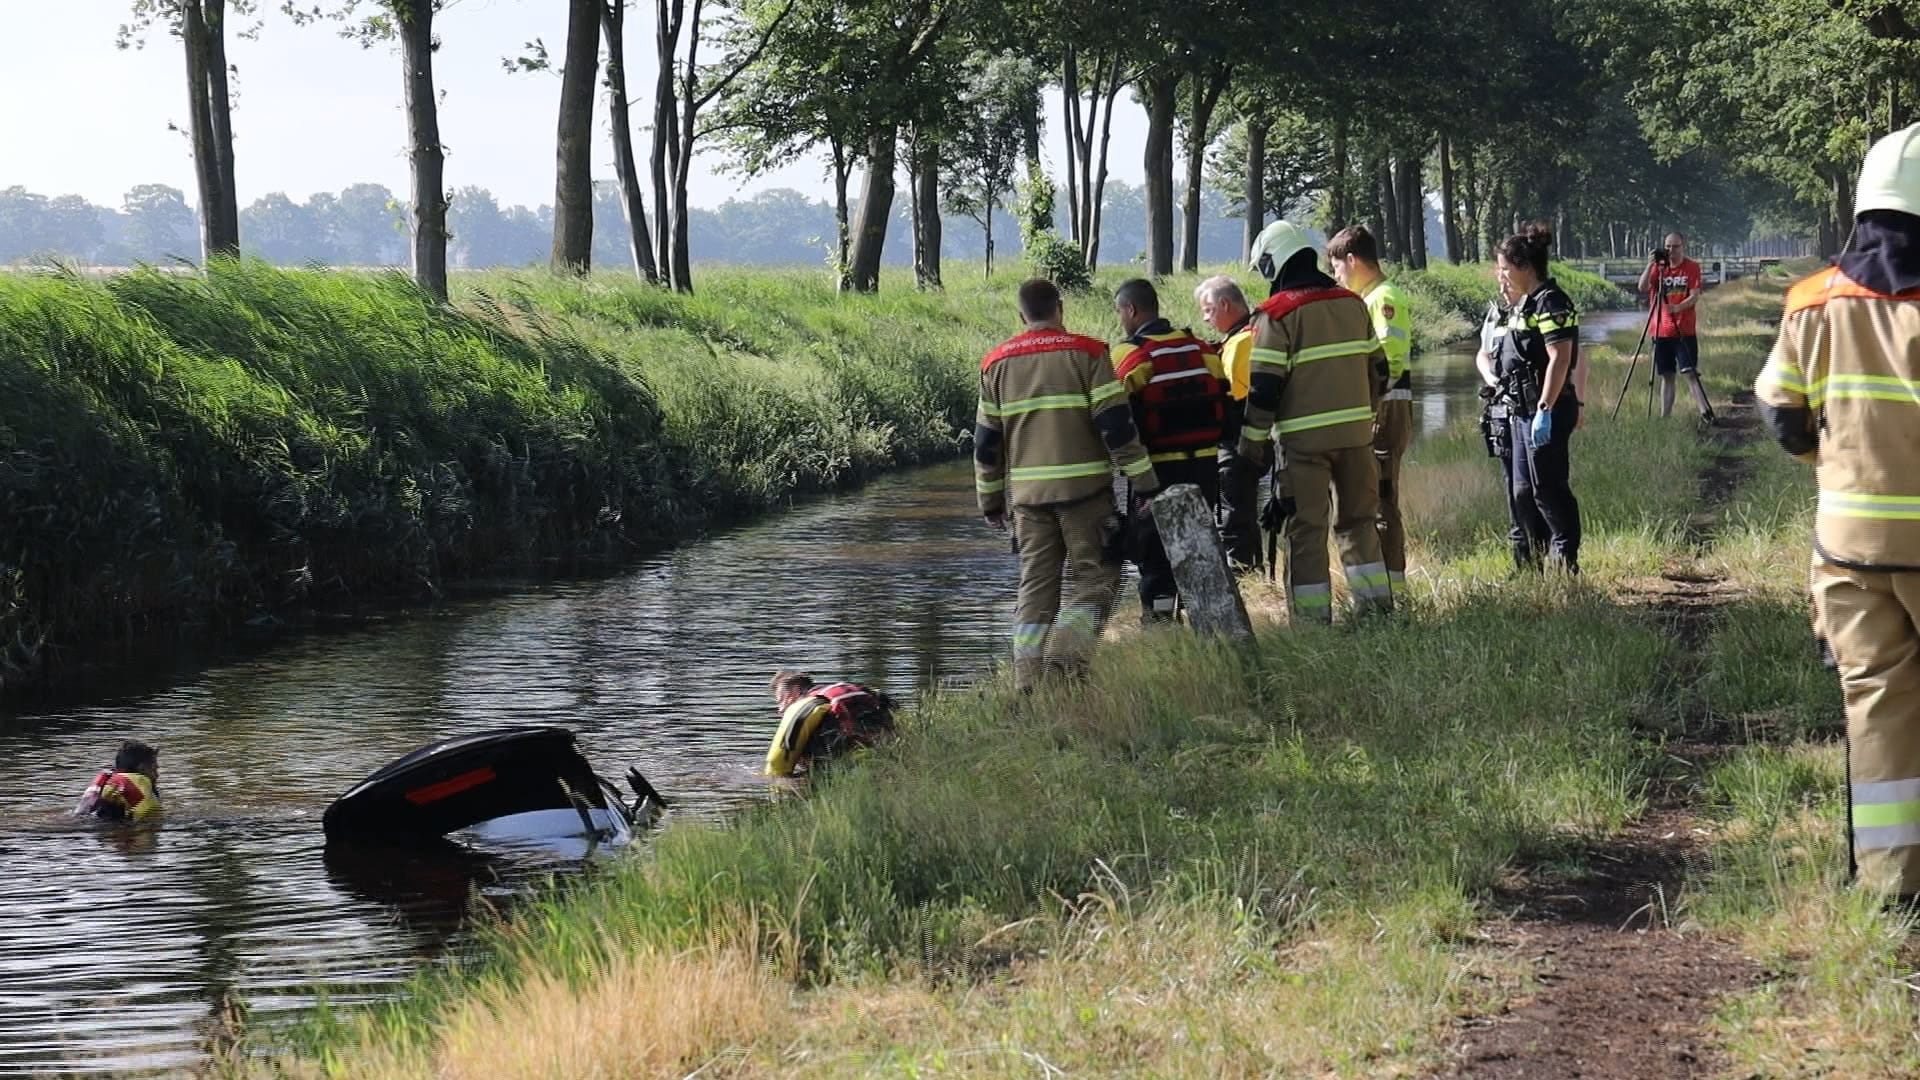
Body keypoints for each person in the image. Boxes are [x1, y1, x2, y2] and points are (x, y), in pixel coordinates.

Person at [1755, 121, 1920, 898]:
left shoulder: (1810, 303)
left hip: (1851, 550)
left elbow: (1781, 411)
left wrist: (1831, 466)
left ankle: (1890, 885)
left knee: (1877, 704)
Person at [976, 278, 1160, 689]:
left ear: (1022, 315)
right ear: (1060, 308)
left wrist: (990, 501)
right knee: (1095, 578)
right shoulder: (1089, 353)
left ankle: (1026, 680)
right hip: (1085, 497)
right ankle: (1065, 661)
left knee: (1036, 586)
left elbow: (987, 445)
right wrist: (1145, 482)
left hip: (1026, 501)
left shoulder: (995, 363)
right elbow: (1116, 426)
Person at [1237, 220, 1393, 622]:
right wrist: (1365, 415)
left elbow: (1264, 392)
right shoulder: (1352, 303)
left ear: (1274, 264)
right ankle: (1376, 615)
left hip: (1302, 446)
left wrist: (1250, 449)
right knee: (1359, 524)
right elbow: (1380, 371)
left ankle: (1311, 626)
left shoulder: (1275, 316)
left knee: (1306, 532)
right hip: (1357, 438)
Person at [1110, 278, 1230, 620]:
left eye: (1121, 311)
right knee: (1200, 549)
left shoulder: (1128, 355)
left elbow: (1113, 414)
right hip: (1205, 470)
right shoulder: (1203, 350)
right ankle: (1209, 620)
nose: (1121, 318)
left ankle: (1160, 624)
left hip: (1155, 473)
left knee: (1154, 554)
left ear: (1131, 310)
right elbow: (1225, 401)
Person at [1328, 225, 1415, 595]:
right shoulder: (1374, 296)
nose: (1336, 277)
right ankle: (1386, 585)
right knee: (1374, 499)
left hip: (1383, 408)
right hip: (1380, 406)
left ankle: (1390, 589)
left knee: (1379, 502)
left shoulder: (1382, 298)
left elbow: (1388, 360)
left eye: (1337, 268)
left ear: (1352, 260)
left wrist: (1363, 401)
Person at [1490, 224, 1583, 574]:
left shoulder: (1551, 302)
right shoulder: (1522, 305)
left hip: (1547, 410)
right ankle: (1531, 564)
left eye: (1505, 267)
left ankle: (1565, 559)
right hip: (1520, 412)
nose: (1502, 274)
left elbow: (1560, 358)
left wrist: (1545, 407)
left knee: (1549, 488)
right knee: (1521, 492)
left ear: (1524, 266)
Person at [1196, 275, 1263, 571]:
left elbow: (1232, 398)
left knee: (1235, 516)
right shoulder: (1251, 334)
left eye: (1208, 310)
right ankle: (1252, 569)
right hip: (1254, 440)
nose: (1205, 317)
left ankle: (1241, 573)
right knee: (1244, 512)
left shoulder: (1241, 343)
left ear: (1225, 304)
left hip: (1238, 443)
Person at [1636, 231, 1715, 424]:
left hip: (1684, 330)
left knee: (1690, 373)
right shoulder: (1658, 268)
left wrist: (1677, 307)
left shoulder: (1691, 267)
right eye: (1668, 247)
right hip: (1659, 330)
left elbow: (1695, 295)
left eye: (1676, 246)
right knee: (1666, 375)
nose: (1672, 250)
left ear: (1683, 246)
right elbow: (1642, 287)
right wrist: (1650, 264)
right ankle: (1665, 417)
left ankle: (1705, 412)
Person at [763, 670, 895, 777]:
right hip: (882, 752)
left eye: (781, 700)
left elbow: (777, 766)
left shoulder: (807, 709)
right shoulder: (858, 691)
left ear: (796, 691)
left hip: (842, 762)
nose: (779, 710)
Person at [75, 740, 162, 821]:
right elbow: (150, 821)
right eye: (154, 769)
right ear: (142, 768)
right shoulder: (139, 785)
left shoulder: (108, 782)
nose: (157, 775)